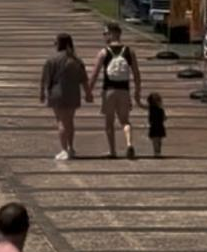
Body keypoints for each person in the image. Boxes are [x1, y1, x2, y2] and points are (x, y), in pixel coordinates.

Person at [88, 22, 143, 160]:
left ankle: (112, 151)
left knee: (109, 122)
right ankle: (129, 143)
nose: (104, 36)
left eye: (105, 33)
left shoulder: (103, 52)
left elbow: (94, 74)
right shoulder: (129, 51)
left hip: (109, 91)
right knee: (125, 121)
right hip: (124, 90)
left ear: (113, 33)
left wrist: (88, 90)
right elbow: (136, 73)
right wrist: (137, 92)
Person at [40, 34, 92, 162]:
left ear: (58, 44)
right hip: (73, 94)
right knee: (70, 121)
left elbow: (45, 79)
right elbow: (84, 80)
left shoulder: (52, 60)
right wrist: (88, 93)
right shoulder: (76, 60)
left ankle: (64, 150)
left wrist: (42, 93)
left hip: (57, 94)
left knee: (61, 122)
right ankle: (70, 147)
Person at [147, 91, 167, 158]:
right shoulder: (161, 109)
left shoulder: (151, 109)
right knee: (159, 141)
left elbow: (150, 119)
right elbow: (164, 118)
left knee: (155, 141)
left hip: (153, 127)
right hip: (160, 126)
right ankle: (158, 152)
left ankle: (156, 152)